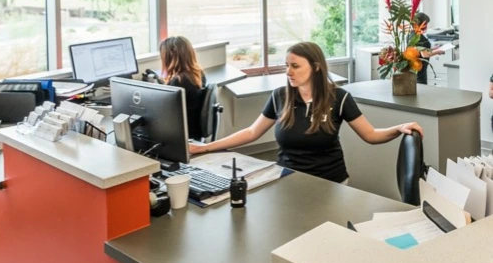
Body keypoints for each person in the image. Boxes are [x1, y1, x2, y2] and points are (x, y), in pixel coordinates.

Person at [190, 42, 424, 184]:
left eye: (295, 66)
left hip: (330, 182)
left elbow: (370, 135)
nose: (288, 72)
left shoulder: (339, 98)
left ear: (316, 66)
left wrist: (398, 129)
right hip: (286, 179)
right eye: (287, 66)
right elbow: (252, 132)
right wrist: (204, 147)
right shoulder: (280, 96)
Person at [159, 36, 207, 140]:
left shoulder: (179, 82)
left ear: (169, 58)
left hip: (183, 135)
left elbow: (166, 113)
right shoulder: (198, 74)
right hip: (194, 131)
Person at [414, 12, 445, 85]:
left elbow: (421, 50)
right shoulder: (418, 37)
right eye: (426, 23)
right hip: (419, 72)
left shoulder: (412, 34)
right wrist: (438, 52)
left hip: (417, 69)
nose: (427, 26)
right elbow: (425, 54)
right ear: (422, 23)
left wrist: (434, 49)